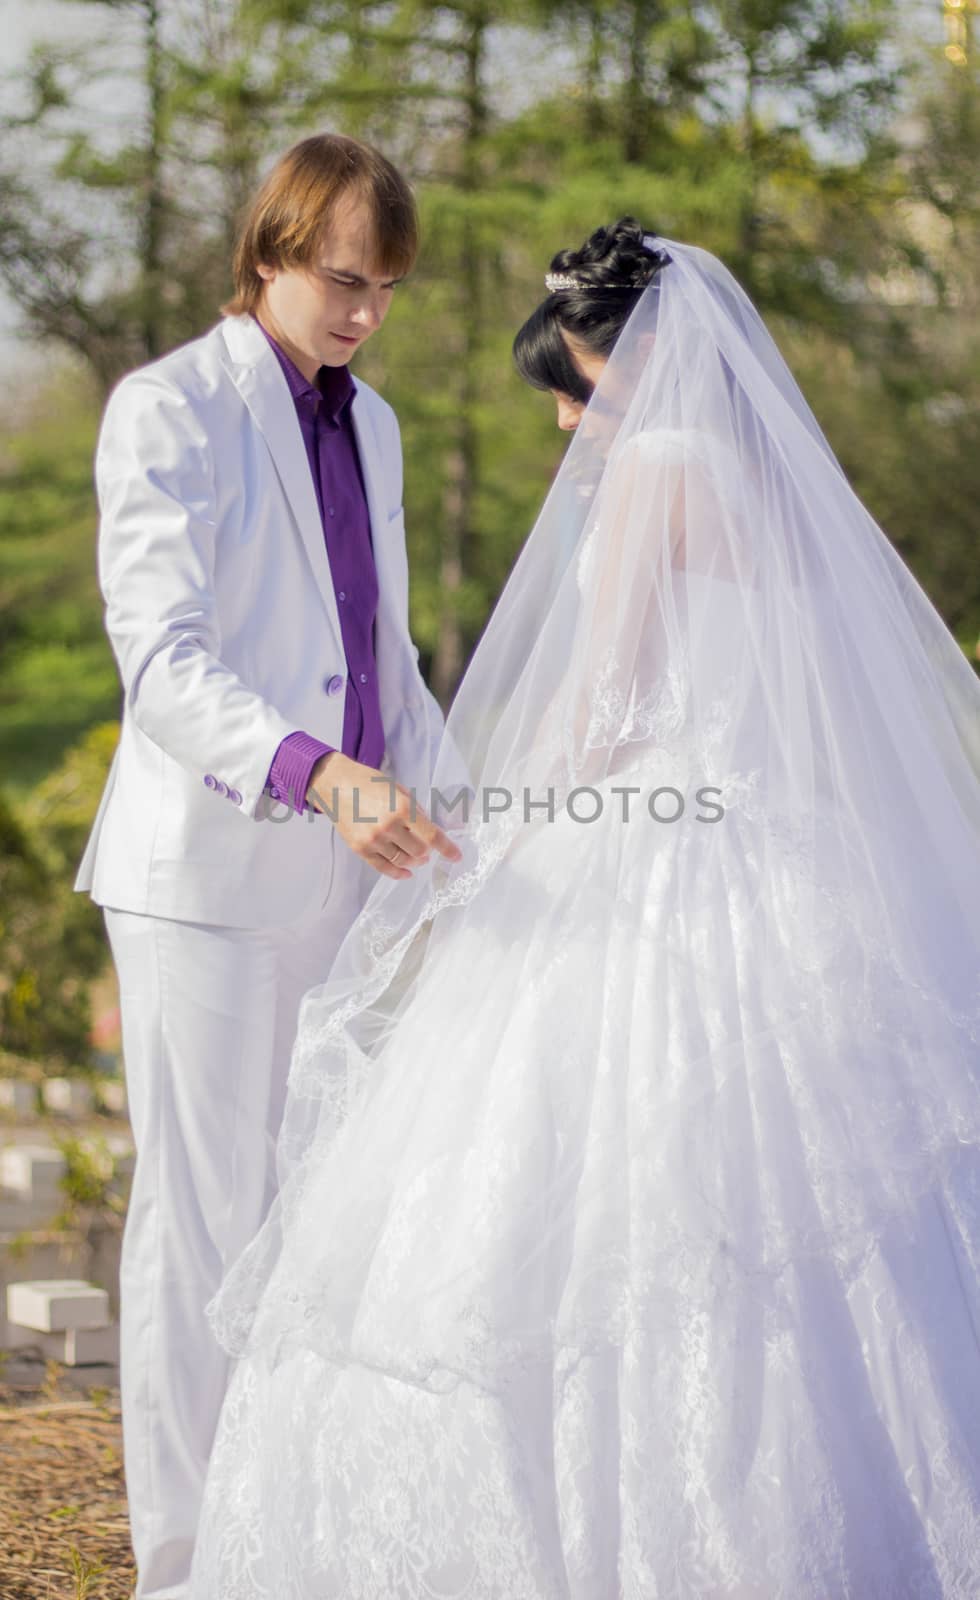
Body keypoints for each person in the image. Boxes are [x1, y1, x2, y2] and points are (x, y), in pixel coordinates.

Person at [189, 221, 980, 1598]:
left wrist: (499, 828)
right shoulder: (775, 481)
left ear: (630, 363)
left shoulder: (658, 472)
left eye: (571, 385)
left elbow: (603, 715)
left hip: (653, 852)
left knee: (574, 1197)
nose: (565, 420)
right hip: (773, 847)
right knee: (826, 1209)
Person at [72, 132, 461, 1600]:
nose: (364, 314)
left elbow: (386, 659)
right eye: (345, 280)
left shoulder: (378, 429)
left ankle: (278, 1546)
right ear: (273, 251)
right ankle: (184, 1569)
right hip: (207, 882)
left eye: (387, 290)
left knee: (307, 1223)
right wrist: (318, 774)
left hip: (348, 880)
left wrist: (457, 806)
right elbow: (162, 663)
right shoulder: (167, 408)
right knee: (203, 1226)